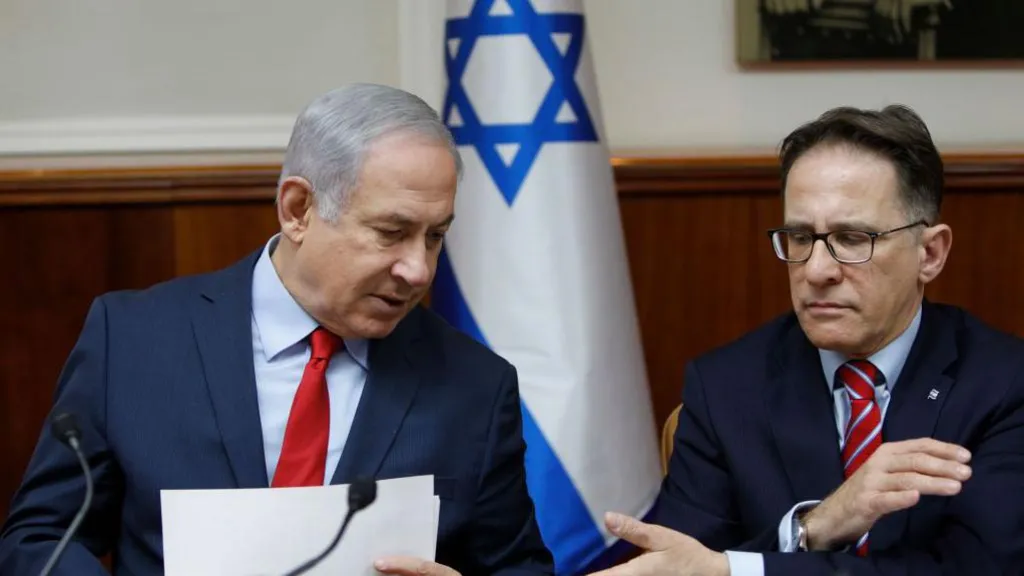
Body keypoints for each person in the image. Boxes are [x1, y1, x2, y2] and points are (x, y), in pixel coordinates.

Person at [0, 83, 554, 576]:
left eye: (434, 237)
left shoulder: (475, 386)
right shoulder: (134, 340)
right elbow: (40, 538)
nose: (419, 270)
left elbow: (514, 566)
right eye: (392, 232)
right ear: (297, 209)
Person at [592, 104, 1024, 575]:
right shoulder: (724, 388)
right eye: (800, 237)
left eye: (853, 238)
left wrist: (741, 569)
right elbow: (684, 567)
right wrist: (815, 525)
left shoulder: (1004, 384)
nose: (817, 271)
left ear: (930, 254)